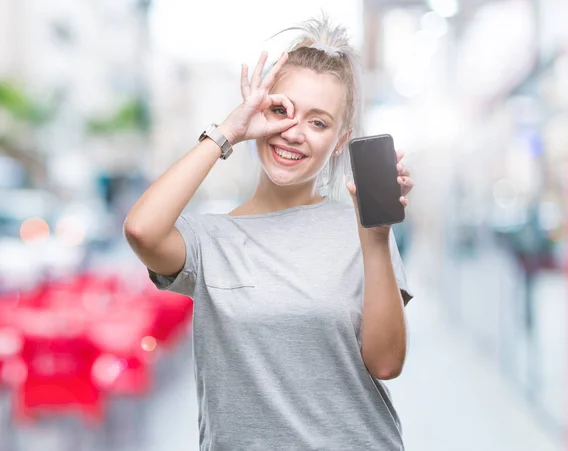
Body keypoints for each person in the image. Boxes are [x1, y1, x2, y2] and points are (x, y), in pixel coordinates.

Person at [125, 15, 415, 451]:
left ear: (340, 140)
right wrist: (227, 132)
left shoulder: (365, 228)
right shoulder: (210, 239)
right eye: (281, 110)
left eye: (319, 123)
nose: (294, 133)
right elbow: (141, 230)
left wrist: (374, 241)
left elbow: (387, 362)